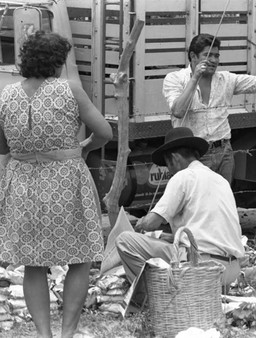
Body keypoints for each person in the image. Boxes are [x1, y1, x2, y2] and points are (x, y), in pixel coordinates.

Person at [0, 31, 113, 338]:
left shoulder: (6, 95)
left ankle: (43, 334)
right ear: (58, 61)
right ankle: (68, 333)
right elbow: (104, 132)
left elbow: (2, 146)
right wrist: (85, 146)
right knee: (79, 255)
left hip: (22, 184)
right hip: (65, 180)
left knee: (32, 263)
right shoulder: (70, 90)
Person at [115, 127, 245, 290]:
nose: (169, 171)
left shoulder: (183, 177)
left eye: (168, 165)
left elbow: (151, 223)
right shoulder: (220, 180)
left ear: (174, 159)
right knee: (168, 241)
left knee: (124, 240)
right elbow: (202, 232)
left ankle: (147, 296)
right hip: (230, 270)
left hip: (201, 268)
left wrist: (141, 223)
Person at [162, 33, 256, 184]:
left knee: (223, 200)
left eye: (217, 56)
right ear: (193, 56)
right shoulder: (174, 78)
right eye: (208, 55)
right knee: (197, 202)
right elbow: (178, 111)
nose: (214, 61)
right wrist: (195, 78)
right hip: (193, 155)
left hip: (223, 153)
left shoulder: (226, 79)